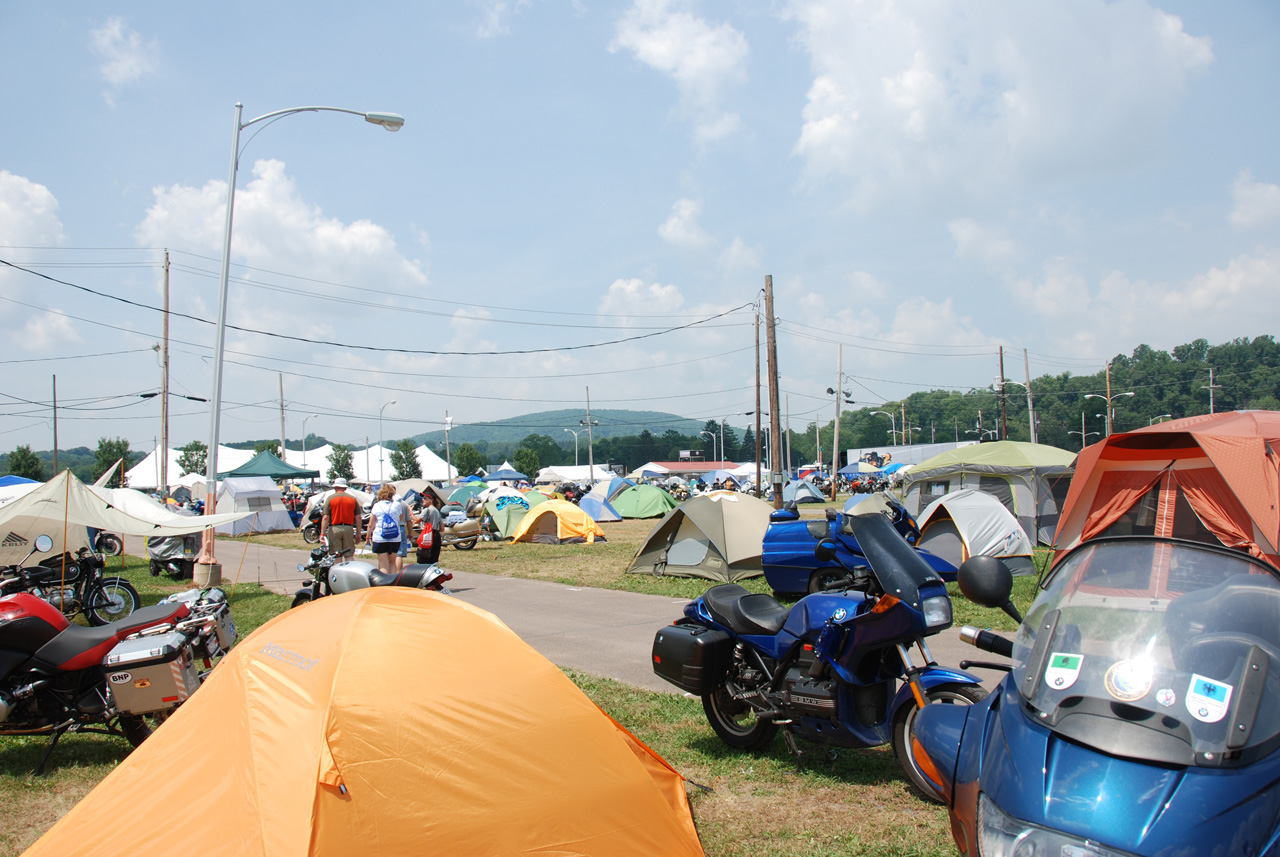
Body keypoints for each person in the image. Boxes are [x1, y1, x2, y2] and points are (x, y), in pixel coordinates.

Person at [366, 485, 406, 575]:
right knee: (392, 562)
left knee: (383, 564)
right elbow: (400, 518)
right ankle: (392, 584)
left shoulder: (377, 506)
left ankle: (384, 585)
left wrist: (368, 537)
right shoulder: (396, 505)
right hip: (395, 537)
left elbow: (371, 524)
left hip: (380, 537)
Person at [320, 478, 363, 561]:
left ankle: (338, 573)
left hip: (334, 528)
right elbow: (358, 518)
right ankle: (350, 572)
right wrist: (358, 533)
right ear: (345, 488)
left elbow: (325, 517)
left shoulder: (330, 498)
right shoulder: (353, 499)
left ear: (335, 487)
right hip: (348, 528)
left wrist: (322, 533)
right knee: (349, 554)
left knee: (337, 555)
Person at [416, 491, 444, 565]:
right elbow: (442, 528)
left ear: (431, 500)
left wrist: (410, 512)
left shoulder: (427, 510)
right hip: (436, 536)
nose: (422, 499)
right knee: (433, 560)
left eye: (425, 498)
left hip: (428, 536)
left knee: (423, 559)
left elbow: (417, 521)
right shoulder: (436, 511)